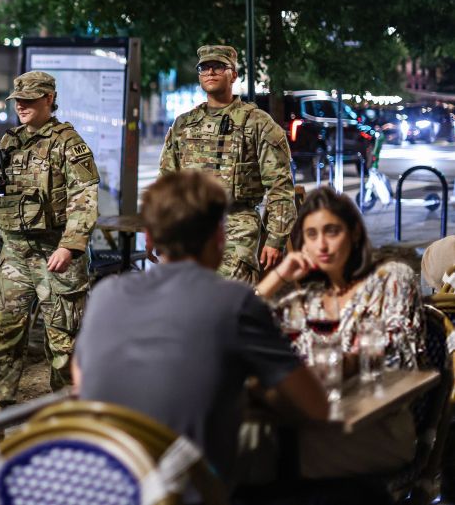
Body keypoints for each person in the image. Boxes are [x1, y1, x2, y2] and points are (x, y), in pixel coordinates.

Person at [73, 171, 328, 494]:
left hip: (101, 486)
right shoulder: (235, 302)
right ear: (220, 238)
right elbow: (315, 406)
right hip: (184, 491)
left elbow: (83, 381)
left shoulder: (105, 295)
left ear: (148, 239)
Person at [256, 186, 424, 478]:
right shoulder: (307, 301)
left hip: (376, 428)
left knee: (250, 457)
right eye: (311, 235)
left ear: (355, 233)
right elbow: (239, 327)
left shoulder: (391, 279)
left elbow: (399, 360)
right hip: (307, 421)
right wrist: (278, 276)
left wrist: (326, 369)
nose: (321, 245)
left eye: (331, 231)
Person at [0, 71, 99, 412]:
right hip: (13, 255)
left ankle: (68, 410)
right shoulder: (9, 143)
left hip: (54, 254)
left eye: (30, 100)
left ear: (49, 100)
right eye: (19, 101)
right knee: (4, 334)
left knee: (64, 341)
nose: (22, 106)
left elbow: (84, 196)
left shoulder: (68, 142)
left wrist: (70, 246)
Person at [158, 45, 296, 284]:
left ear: (233, 74)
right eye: (204, 67)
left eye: (219, 66)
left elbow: (280, 186)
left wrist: (276, 238)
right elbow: (167, 184)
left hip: (236, 227)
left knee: (229, 306)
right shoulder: (184, 124)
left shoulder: (258, 123)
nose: (210, 72)